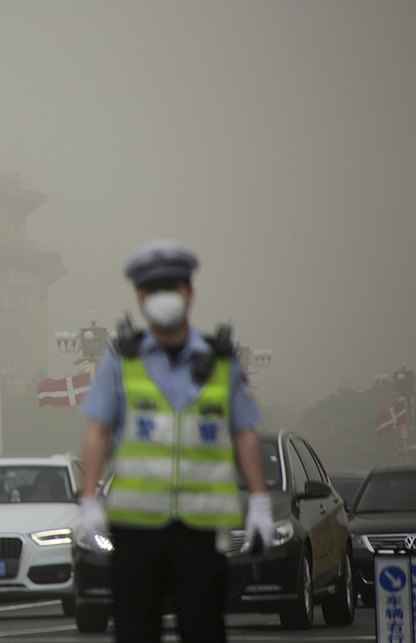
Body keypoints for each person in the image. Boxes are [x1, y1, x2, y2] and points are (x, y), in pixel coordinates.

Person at [78, 239, 274, 643]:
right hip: (135, 528)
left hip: (201, 529)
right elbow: (99, 429)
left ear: (190, 293)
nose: (162, 298)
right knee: (135, 631)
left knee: (204, 630)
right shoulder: (121, 358)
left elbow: (244, 433)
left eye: (172, 287)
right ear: (140, 297)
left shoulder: (222, 360)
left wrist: (258, 501)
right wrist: (89, 499)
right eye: (153, 290)